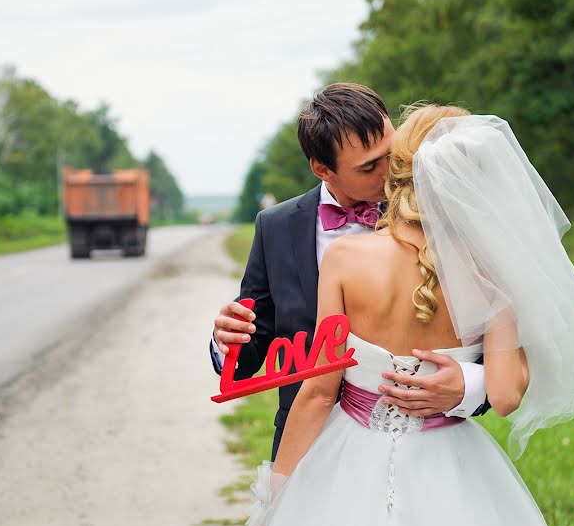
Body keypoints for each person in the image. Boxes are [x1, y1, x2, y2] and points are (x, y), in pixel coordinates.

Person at [245, 105, 574, 526]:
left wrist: (274, 509)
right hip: (451, 464)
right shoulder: (492, 274)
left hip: (348, 453)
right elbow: (506, 396)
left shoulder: (343, 259)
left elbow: (317, 393)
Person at [210, 84, 491, 461]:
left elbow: (499, 348)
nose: (390, 171)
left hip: (416, 449)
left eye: (391, 154)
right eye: (368, 167)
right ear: (322, 169)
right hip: (305, 447)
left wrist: (469, 385)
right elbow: (250, 355)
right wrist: (227, 341)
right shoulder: (275, 228)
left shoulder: (437, 220)